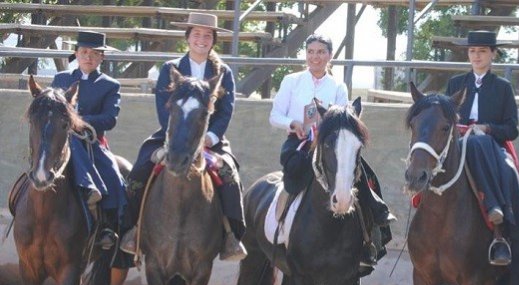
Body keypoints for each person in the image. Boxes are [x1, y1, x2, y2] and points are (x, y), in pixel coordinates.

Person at [120, 12, 246, 261]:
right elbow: (162, 107)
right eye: (196, 34)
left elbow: (226, 110)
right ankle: (132, 230)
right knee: (139, 172)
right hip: (172, 136)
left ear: (213, 40)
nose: (201, 39)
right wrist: (174, 137)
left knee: (231, 177)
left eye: (207, 35)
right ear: (187, 38)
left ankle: (231, 237)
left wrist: (210, 136)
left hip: (210, 139)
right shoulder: (170, 68)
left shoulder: (224, 72)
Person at [269, 33, 394, 271]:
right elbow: (274, 115)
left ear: (330, 56)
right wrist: (292, 123)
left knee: (362, 172)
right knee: (294, 171)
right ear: (305, 55)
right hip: (300, 142)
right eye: (311, 52)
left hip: (331, 146)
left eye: (321, 52)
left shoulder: (338, 86)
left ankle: (371, 232)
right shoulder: (291, 81)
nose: (315, 57)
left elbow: (346, 119)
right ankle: (283, 228)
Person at [445, 31, 519, 285]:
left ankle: (498, 222)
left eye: (482, 51)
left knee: (479, 144)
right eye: (472, 51)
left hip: (490, 145)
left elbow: (512, 128)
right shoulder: (455, 83)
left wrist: (487, 129)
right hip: (458, 142)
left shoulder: (502, 87)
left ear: (492, 55)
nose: (476, 56)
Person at [51, 30, 132, 269]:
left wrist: (78, 121)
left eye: (95, 54)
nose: (89, 57)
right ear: (76, 53)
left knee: (115, 178)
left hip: (92, 141)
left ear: (102, 58)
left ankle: (107, 227)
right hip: (61, 141)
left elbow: (110, 119)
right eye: (84, 52)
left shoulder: (110, 85)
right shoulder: (60, 79)